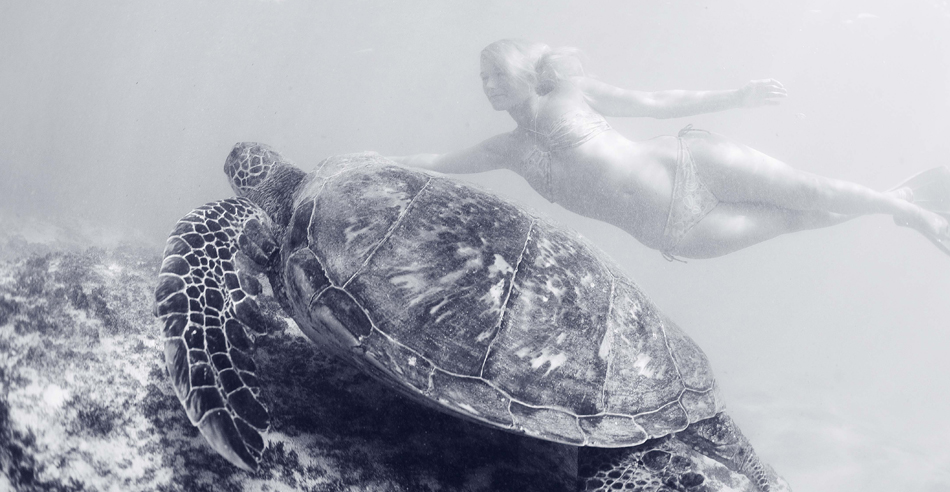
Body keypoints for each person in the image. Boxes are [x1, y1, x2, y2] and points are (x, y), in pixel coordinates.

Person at [391, 39, 950, 260]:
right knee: (797, 221)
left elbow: (656, 101)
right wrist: (376, 161)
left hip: (689, 162)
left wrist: (737, 95)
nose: (487, 84)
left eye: (494, 72)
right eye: (481, 77)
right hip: (677, 232)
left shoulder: (569, 91)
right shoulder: (508, 148)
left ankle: (909, 210)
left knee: (807, 190)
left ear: (521, 69)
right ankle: (898, 198)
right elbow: (441, 164)